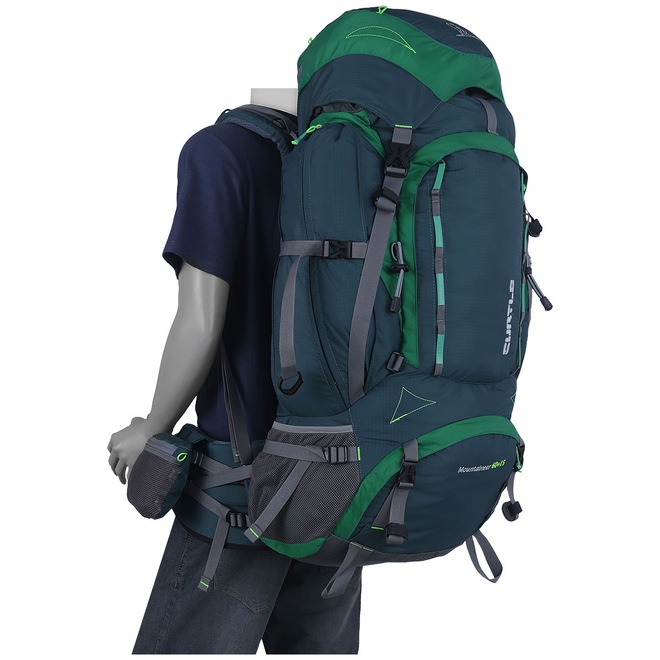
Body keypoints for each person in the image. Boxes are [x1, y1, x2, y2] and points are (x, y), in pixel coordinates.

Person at [107, 88, 362, 654]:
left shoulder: (219, 152)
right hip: (337, 483)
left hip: (239, 492)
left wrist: (151, 426)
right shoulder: (352, 163)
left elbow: (200, 320)